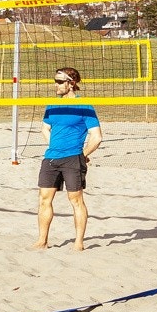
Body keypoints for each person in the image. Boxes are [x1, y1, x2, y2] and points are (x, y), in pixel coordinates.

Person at [32, 66, 102, 252]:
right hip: (51, 158)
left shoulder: (84, 105)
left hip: (73, 158)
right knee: (44, 200)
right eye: (55, 81)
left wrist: (83, 155)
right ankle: (42, 241)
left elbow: (97, 136)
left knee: (76, 200)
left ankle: (78, 243)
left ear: (71, 84)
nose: (56, 85)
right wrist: (53, 146)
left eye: (60, 81)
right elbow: (44, 128)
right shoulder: (52, 105)